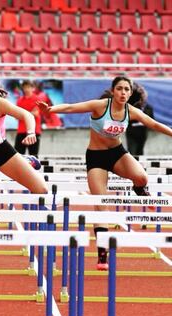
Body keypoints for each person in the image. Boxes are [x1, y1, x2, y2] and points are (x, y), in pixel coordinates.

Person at [37, 76, 172, 271]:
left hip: (117, 154)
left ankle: (140, 189)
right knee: (101, 204)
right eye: (120, 89)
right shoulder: (100, 106)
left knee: (142, 177)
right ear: (113, 90)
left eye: (127, 89)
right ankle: (102, 253)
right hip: (96, 157)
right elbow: (71, 108)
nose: (123, 92)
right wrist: (51, 110)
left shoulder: (131, 111)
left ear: (130, 93)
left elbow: (154, 124)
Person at [14, 80, 42, 157]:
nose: (26, 89)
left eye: (28, 87)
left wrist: (22, 114)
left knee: (33, 155)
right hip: (21, 130)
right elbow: (16, 115)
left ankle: (34, 169)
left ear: (33, 88)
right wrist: (29, 113)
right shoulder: (19, 100)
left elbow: (36, 113)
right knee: (17, 156)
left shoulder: (37, 99)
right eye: (25, 87)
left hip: (34, 131)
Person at [126, 82, 154, 156]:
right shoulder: (131, 106)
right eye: (141, 96)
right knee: (132, 151)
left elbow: (152, 121)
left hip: (142, 132)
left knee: (140, 151)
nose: (143, 97)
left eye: (144, 96)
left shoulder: (149, 108)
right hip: (132, 131)